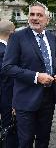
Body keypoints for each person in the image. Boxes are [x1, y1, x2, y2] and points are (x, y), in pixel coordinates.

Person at [1, 2, 56, 148]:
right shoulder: (17, 37)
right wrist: (36, 76)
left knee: (43, 140)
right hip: (25, 99)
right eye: (32, 14)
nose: (35, 18)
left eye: (39, 15)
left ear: (47, 20)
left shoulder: (53, 38)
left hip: (48, 98)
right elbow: (8, 67)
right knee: (26, 141)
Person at [0, 20, 18, 148]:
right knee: (10, 133)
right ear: (12, 34)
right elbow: (9, 80)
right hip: (6, 101)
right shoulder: (5, 52)